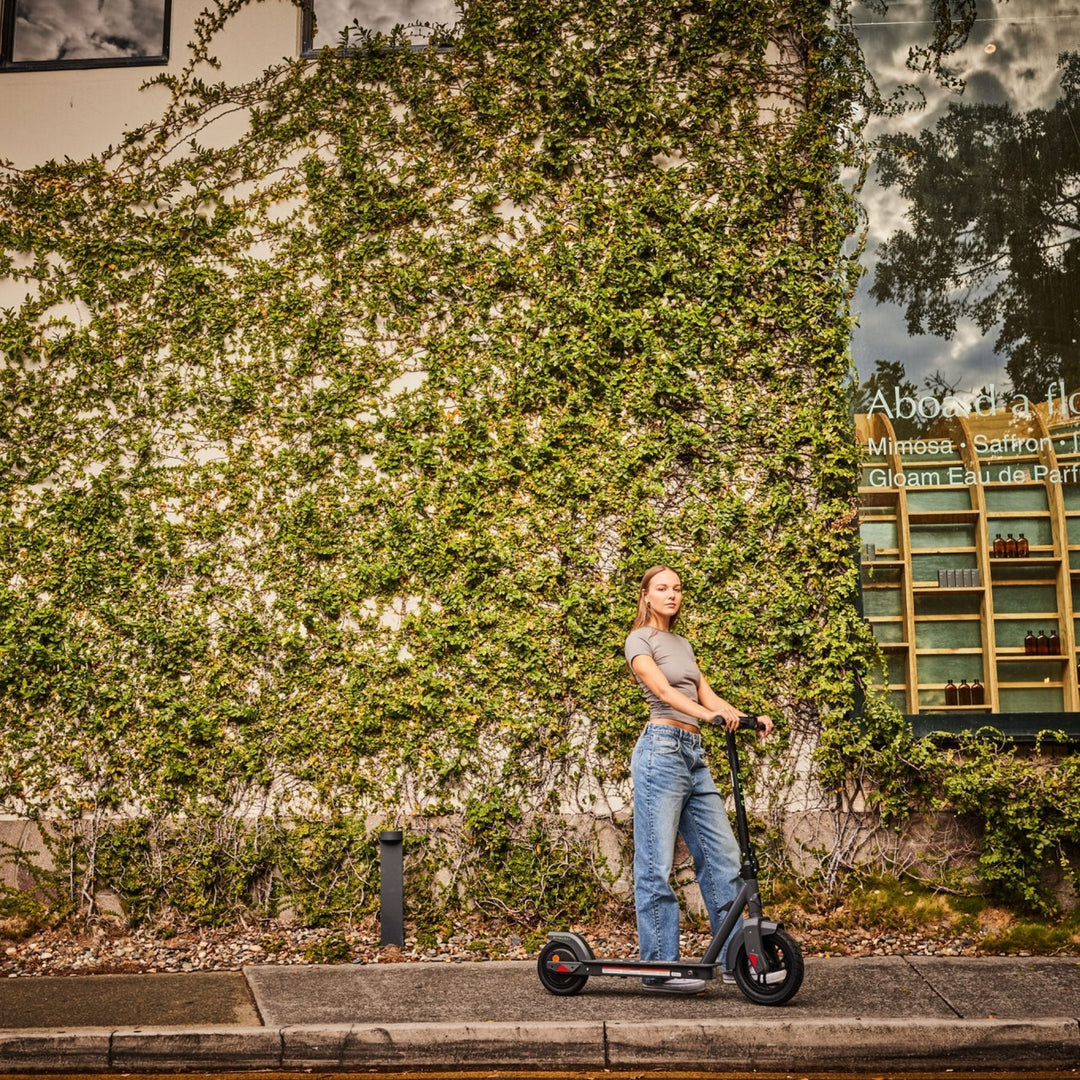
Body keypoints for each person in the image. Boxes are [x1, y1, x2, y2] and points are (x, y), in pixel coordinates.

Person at [624, 565, 772, 995]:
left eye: (677, 588)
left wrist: (746, 716)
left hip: (693, 756)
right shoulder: (639, 640)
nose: (671, 594)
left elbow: (707, 696)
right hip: (661, 752)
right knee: (655, 865)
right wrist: (707, 716)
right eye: (662, 588)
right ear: (646, 595)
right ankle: (659, 968)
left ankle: (735, 962)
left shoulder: (683, 644)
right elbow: (665, 692)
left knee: (723, 858)